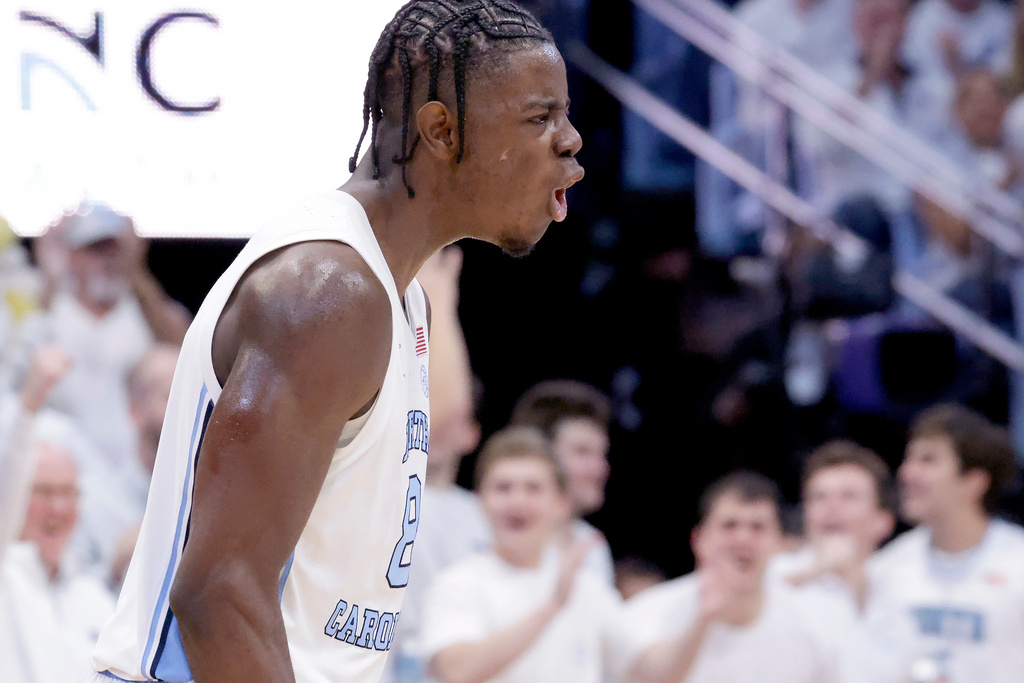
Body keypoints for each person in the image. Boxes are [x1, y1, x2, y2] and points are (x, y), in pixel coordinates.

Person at [86, 1, 584, 682]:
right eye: (539, 117)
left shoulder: (396, 294)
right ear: (442, 130)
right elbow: (220, 594)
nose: (570, 140)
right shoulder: (327, 294)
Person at [420, 427, 625, 683]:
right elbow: (456, 671)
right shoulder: (457, 583)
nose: (517, 502)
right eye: (503, 488)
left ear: (561, 504)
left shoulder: (584, 586)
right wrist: (554, 605)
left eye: (533, 488)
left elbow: (643, 667)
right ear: (480, 500)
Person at [622, 471, 835, 683]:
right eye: (729, 525)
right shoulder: (649, 612)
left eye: (757, 528)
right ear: (699, 539)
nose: (743, 538)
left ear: (780, 544)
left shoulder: (816, 621)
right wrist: (703, 619)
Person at [868, 403, 1024, 683]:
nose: (907, 473)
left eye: (928, 460)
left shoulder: (1018, 563)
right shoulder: (887, 566)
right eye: (909, 459)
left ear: (974, 482)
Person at [0, 346, 116, 683]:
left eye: (68, 493)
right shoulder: (7, 575)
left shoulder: (95, 595)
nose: (58, 508)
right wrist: (29, 406)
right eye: (44, 492)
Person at [772, 440, 898, 682]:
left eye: (848, 496)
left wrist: (853, 579)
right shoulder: (775, 573)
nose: (831, 507)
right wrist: (814, 571)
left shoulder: (900, 586)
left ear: (883, 521)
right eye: (818, 497)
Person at [508, 379, 614, 582]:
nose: (599, 469)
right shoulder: (497, 533)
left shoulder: (591, 543)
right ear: (539, 456)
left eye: (602, 455)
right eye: (582, 452)